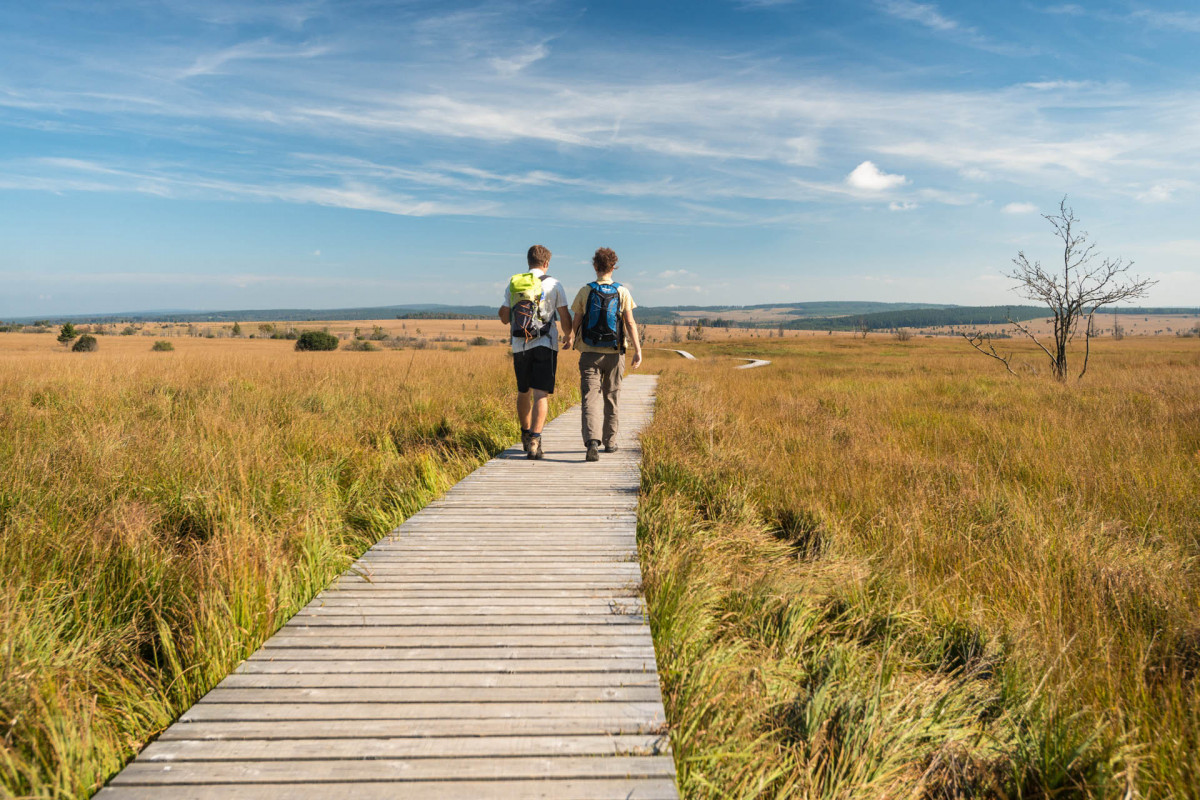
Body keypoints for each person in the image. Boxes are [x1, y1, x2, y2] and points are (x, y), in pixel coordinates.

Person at [499, 244, 572, 460]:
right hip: (545, 344)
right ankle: (535, 440)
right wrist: (569, 335)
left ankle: (524, 434)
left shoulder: (514, 283)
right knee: (541, 394)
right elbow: (564, 315)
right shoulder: (555, 284)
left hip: (520, 345)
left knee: (523, 392)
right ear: (546, 263)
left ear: (528, 261)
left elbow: (504, 317)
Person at [570, 247, 642, 462]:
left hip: (589, 353)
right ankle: (610, 442)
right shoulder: (622, 291)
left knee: (589, 398)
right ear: (613, 267)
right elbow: (629, 322)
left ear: (595, 267)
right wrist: (637, 350)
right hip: (615, 352)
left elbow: (577, 320)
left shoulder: (585, 290)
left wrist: (574, 338)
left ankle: (592, 442)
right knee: (611, 397)